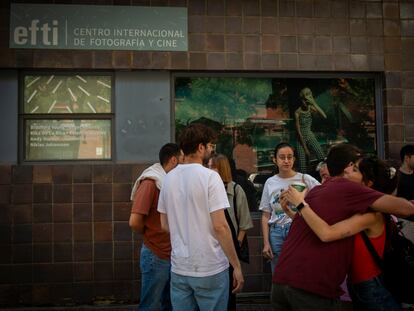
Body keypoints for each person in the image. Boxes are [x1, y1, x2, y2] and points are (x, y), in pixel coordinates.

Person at [270, 143, 414, 311]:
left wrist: (297, 208)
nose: (353, 170)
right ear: (347, 167)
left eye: (357, 169)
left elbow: (314, 226)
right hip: (312, 288)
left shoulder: (319, 190)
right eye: (355, 167)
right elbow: (324, 232)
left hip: (281, 282)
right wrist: (298, 206)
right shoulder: (350, 190)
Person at [157, 124, 244, 311]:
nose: (211, 150)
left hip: (179, 267)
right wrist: (236, 265)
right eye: (210, 145)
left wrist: (186, 231)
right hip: (210, 267)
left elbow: (164, 224)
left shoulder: (168, 179)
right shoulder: (211, 177)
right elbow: (220, 226)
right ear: (200, 147)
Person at [129, 143, 183, 311]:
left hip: (173, 255)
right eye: (182, 160)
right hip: (156, 255)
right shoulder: (151, 183)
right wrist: (152, 235)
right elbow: (134, 222)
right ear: (174, 160)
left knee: (170, 304)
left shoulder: (170, 183)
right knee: (150, 306)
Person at [259, 142, 320, 273]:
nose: (286, 161)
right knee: (279, 271)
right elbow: (265, 215)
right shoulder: (270, 182)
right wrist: (266, 243)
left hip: (298, 228)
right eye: (282, 157)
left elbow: (324, 197)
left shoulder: (305, 179)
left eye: (290, 157)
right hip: (276, 232)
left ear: (294, 159)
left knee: (301, 269)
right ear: (275, 160)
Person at [208, 154, 254, 311]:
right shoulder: (205, 190)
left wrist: (237, 244)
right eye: (208, 166)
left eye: (212, 167)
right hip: (211, 249)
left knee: (229, 294)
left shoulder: (235, 190)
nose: (208, 170)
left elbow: (244, 224)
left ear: (221, 168)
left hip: (229, 248)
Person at [295, 87, 327, 173]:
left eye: (307, 100)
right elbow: (298, 132)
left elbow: (324, 116)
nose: (305, 102)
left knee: (322, 157)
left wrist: (313, 103)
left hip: (309, 134)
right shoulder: (297, 112)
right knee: (302, 166)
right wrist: (305, 148)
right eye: (303, 100)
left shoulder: (311, 108)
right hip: (300, 139)